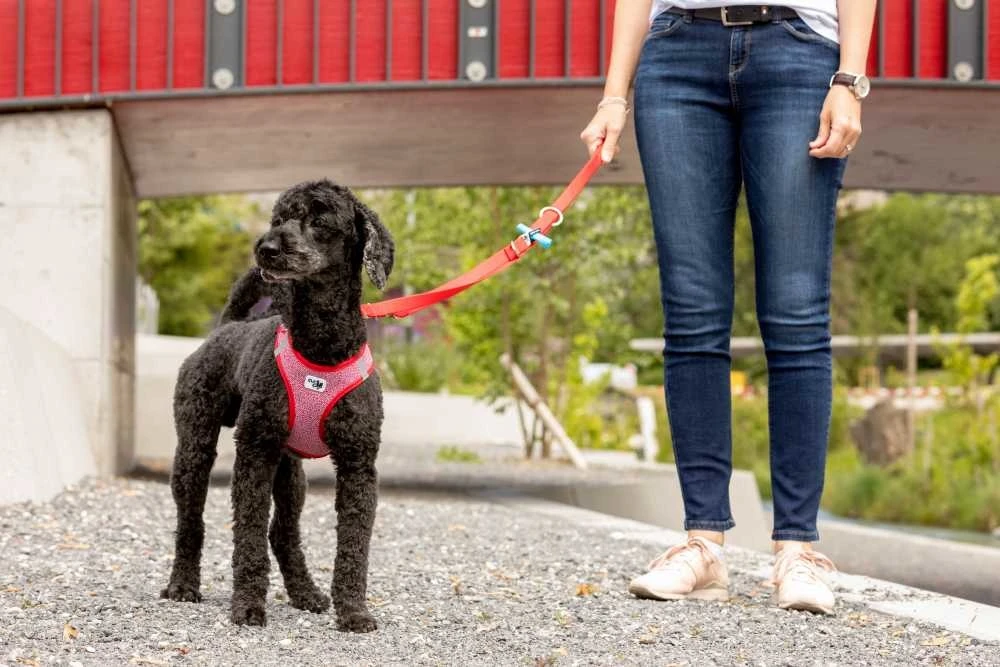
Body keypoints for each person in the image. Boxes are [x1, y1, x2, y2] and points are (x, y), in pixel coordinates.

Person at [580, 0, 874, 614]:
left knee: (795, 313)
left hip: (798, 50)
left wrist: (849, 79)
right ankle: (703, 543)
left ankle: (797, 549)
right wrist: (613, 96)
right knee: (691, 313)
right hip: (676, 54)